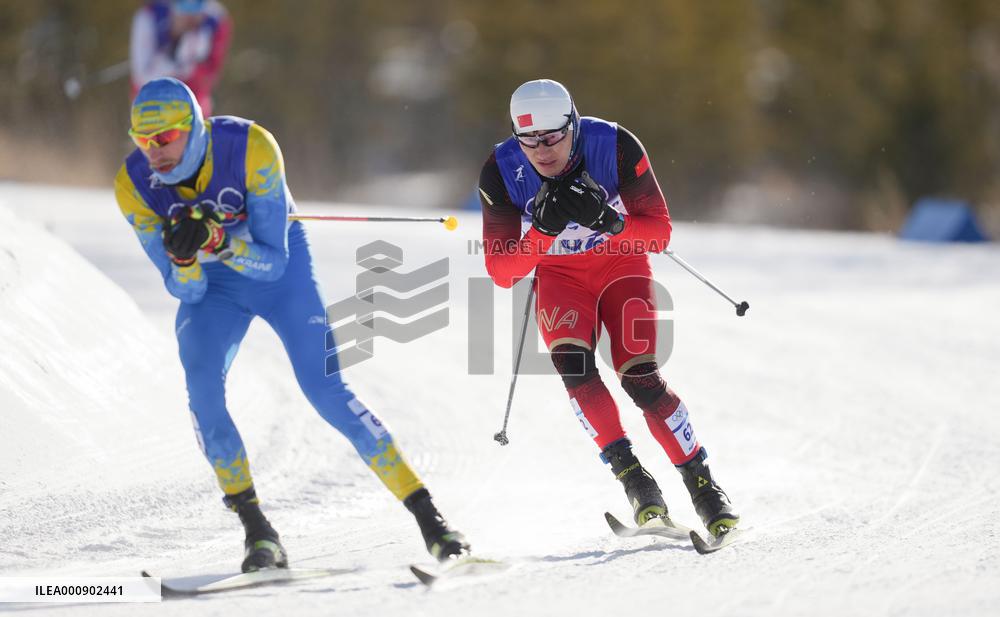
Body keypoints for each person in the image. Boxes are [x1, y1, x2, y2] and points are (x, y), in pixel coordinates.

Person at [114, 78, 468, 572]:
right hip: (214, 288)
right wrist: (185, 256)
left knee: (326, 391)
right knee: (202, 392)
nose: (154, 152)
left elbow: (274, 262)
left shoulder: (250, 147)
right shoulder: (133, 185)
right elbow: (186, 291)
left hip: (277, 271)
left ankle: (433, 521)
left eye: (165, 138)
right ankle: (258, 532)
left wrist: (219, 242)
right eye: (142, 140)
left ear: (192, 127)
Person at [477, 79, 740, 537]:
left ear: (573, 124)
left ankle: (705, 489)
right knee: (574, 369)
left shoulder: (615, 145)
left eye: (553, 137)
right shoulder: (500, 170)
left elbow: (658, 234)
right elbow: (503, 272)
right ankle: (636, 483)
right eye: (529, 140)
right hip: (561, 278)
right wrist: (540, 233)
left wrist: (611, 222)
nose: (541, 150)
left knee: (639, 378)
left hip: (622, 267)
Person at [130, 0, 232, 115]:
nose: (188, 15)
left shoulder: (216, 18)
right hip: (152, 108)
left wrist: (192, 62)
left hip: (193, 107)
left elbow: (211, 74)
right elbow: (142, 78)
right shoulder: (150, 15)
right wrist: (173, 48)